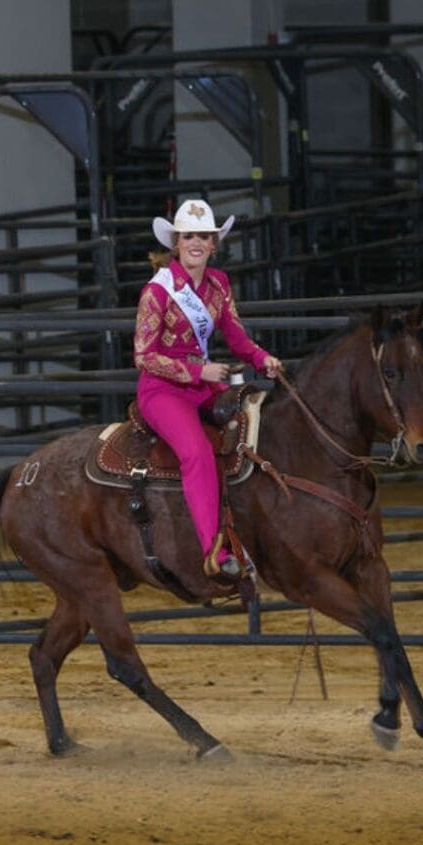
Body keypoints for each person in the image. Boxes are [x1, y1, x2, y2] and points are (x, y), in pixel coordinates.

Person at [134, 198, 282, 580]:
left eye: (204, 236)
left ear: (214, 243)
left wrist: (261, 357)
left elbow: (234, 334)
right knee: (198, 451)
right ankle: (214, 552)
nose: (196, 243)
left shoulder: (219, 284)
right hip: (162, 391)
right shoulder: (158, 292)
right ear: (177, 243)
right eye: (189, 236)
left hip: (204, 386)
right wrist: (200, 372)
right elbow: (144, 357)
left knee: (257, 430)